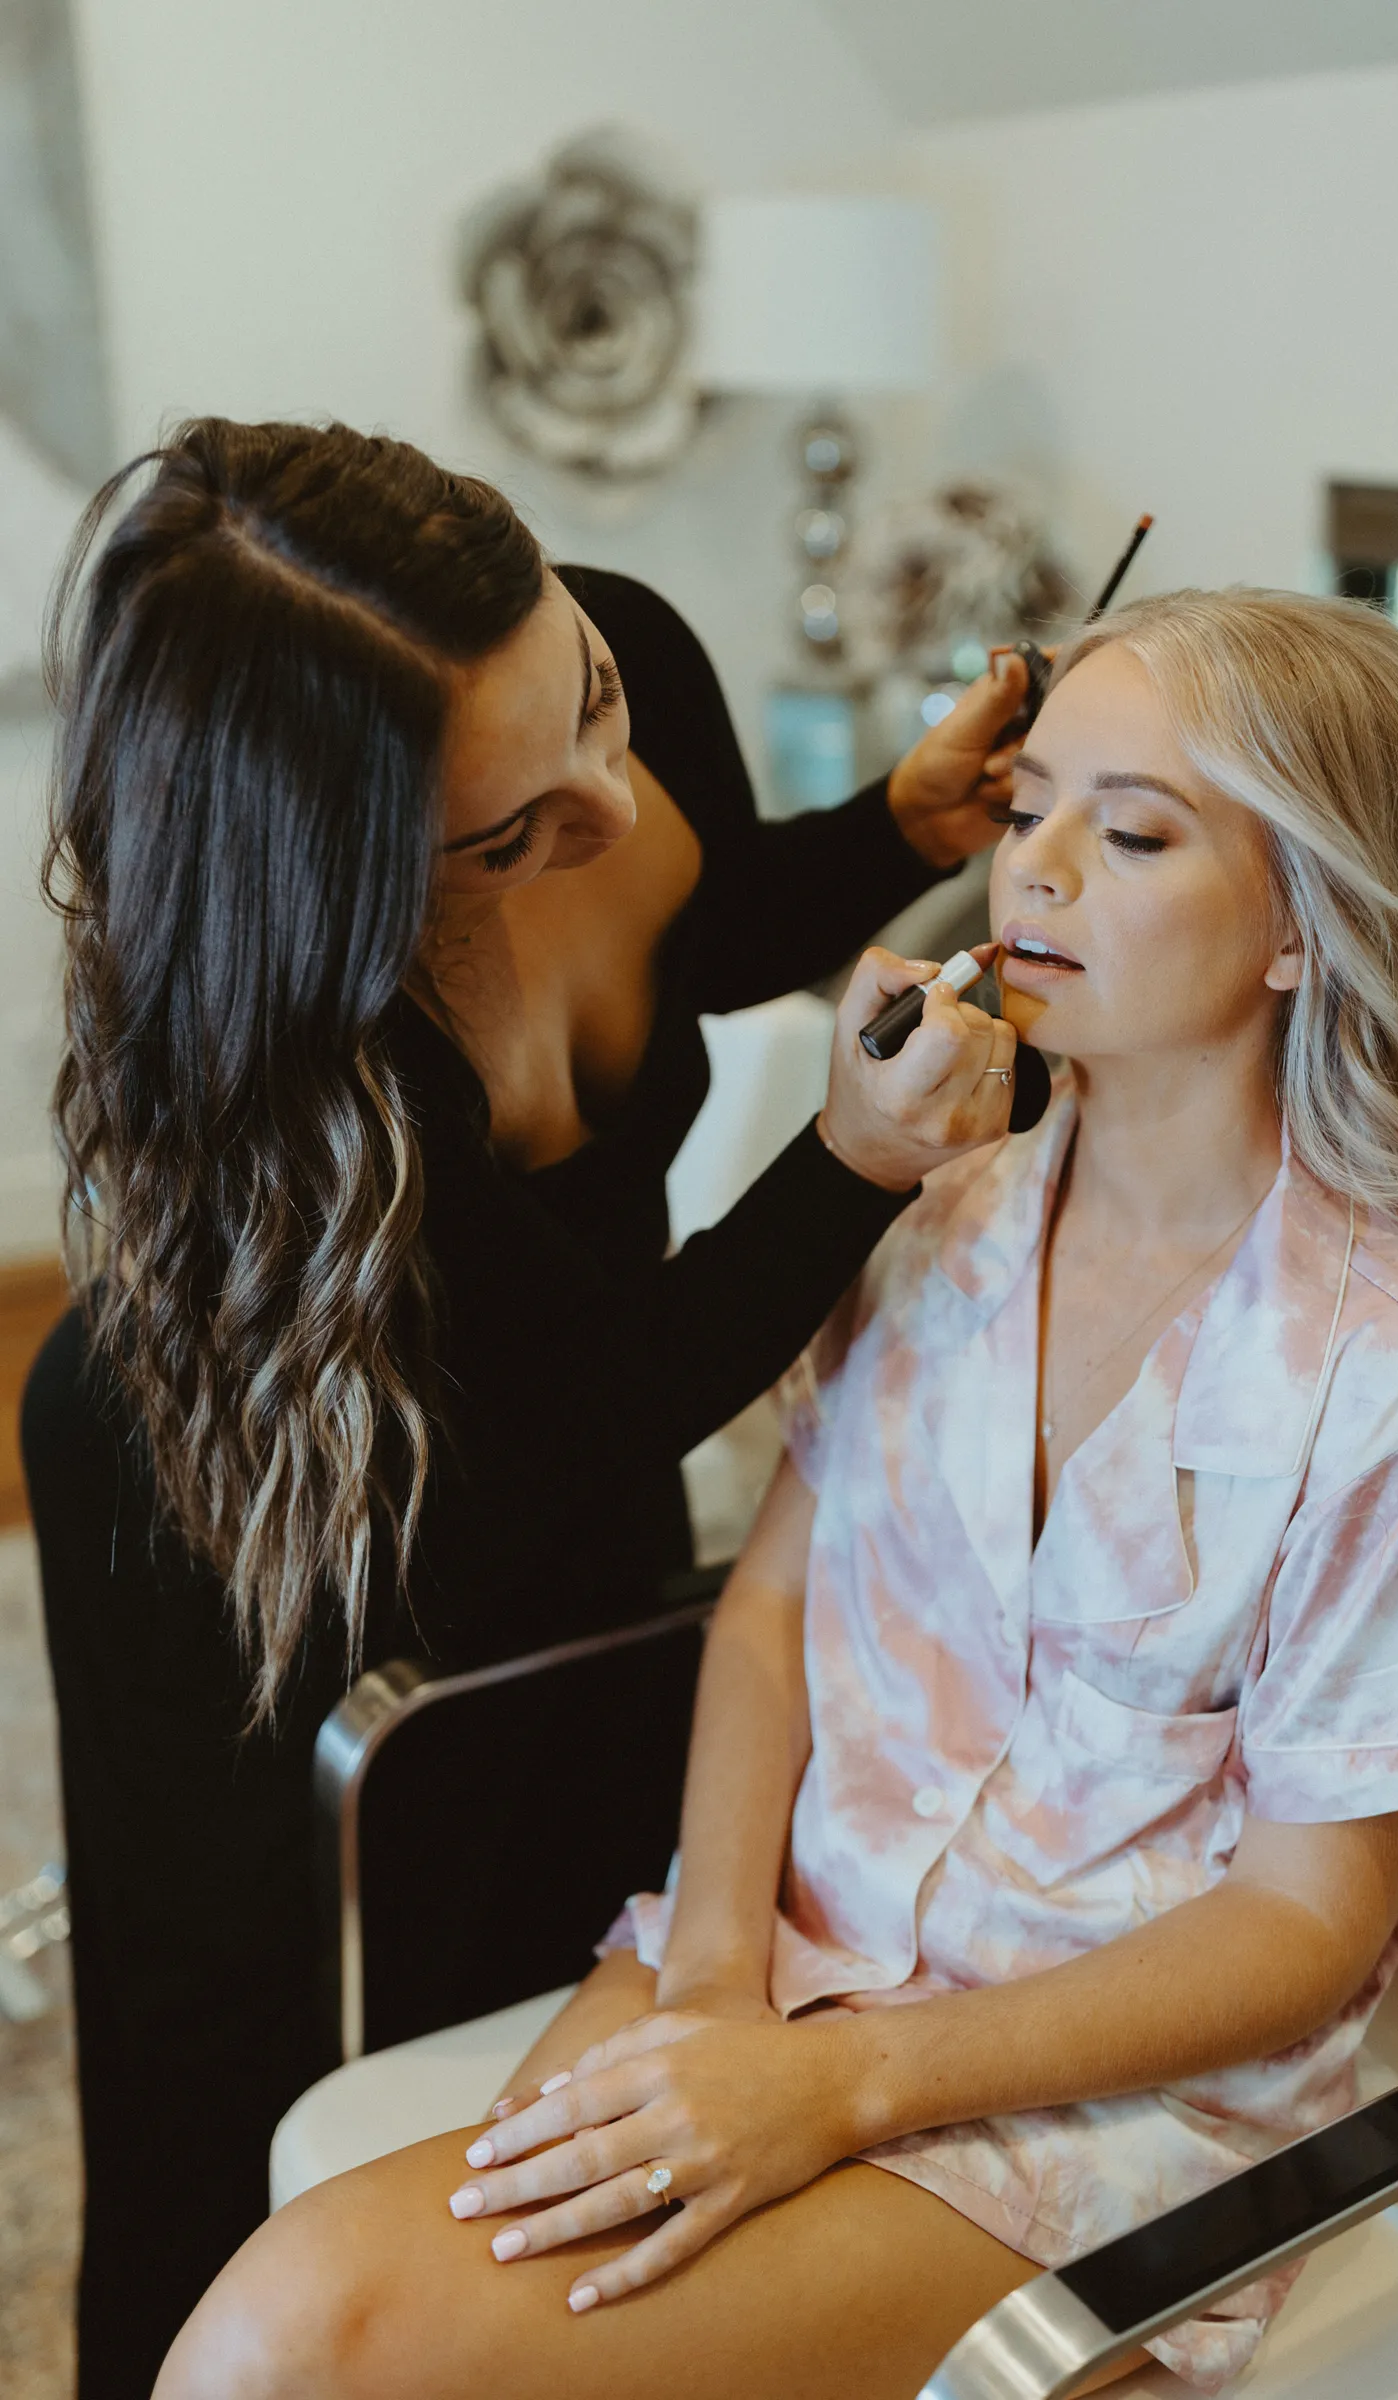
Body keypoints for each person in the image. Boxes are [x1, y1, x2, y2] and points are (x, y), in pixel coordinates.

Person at [157, 586, 1398, 2400]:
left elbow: (1306, 1928)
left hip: (1086, 2118)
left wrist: (836, 2084)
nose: (1035, 866)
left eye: (1133, 833)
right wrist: (712, 1982)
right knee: (320, 2338)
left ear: (1306, 922)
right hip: (769, 1961)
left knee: (301, 2340)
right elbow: (770, 1614)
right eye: (1030, 806)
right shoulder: (941, 1212)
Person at [21, 417, 1035, 2400]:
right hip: (279, 1504)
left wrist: (894, 833)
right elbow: (601, 1401)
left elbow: (697, 912)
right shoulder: (307, 1053)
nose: (606, 796)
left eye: (595, 702)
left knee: (571, 1927)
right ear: (343, 885)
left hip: (573, 1441)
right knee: (248, 2039)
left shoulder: (621, 659)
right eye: (509, 834)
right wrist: (849, 1165)